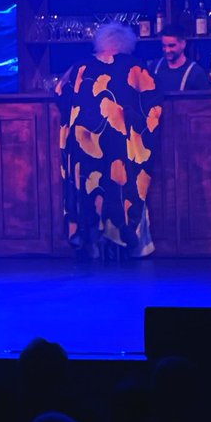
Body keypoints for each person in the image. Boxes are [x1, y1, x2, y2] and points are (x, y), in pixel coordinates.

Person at [57, 22, 160, 259]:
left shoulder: (80, 67)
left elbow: (59, 93)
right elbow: (154, 98)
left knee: (89, 187)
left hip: (83, 139)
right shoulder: (134, 67)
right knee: (119, 186)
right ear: (127, 46)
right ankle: (119, 241)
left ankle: (91, 242)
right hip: (118, 139)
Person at [151, 26, 210, 92]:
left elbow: (204, 98)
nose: (167, 50)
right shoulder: (154, 67)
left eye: (171, 46)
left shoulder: (196, 73)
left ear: (183, 44)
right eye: (164, 46)